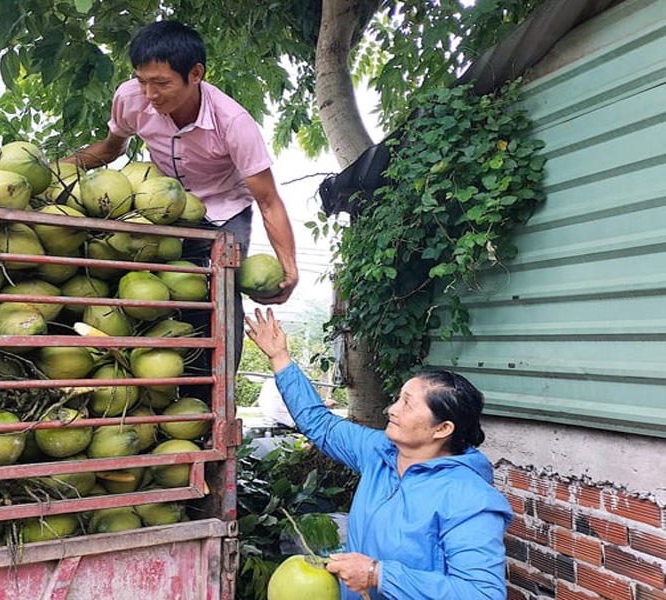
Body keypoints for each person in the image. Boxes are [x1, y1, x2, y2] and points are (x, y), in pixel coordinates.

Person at [63, 20, 299, 368]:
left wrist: (290, 267)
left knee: (221, 297)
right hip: (161, 205)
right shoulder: (130, 99)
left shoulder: (232, 122)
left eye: (161, 84)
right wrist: (57, 170)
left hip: (224, 209)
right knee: (156, 290)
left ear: (196, 74)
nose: (150, 95)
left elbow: (268, 200)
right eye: (142, 81)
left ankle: (217, 394)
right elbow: (111, 148)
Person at [245, 307, 513, 600]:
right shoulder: (381, 453)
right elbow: (321, 424)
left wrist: (378, 574)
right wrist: (280, 358)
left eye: (407, 404)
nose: (392, 410)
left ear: (442, 428)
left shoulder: (470, 499)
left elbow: (482, 594)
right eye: (398, 398)